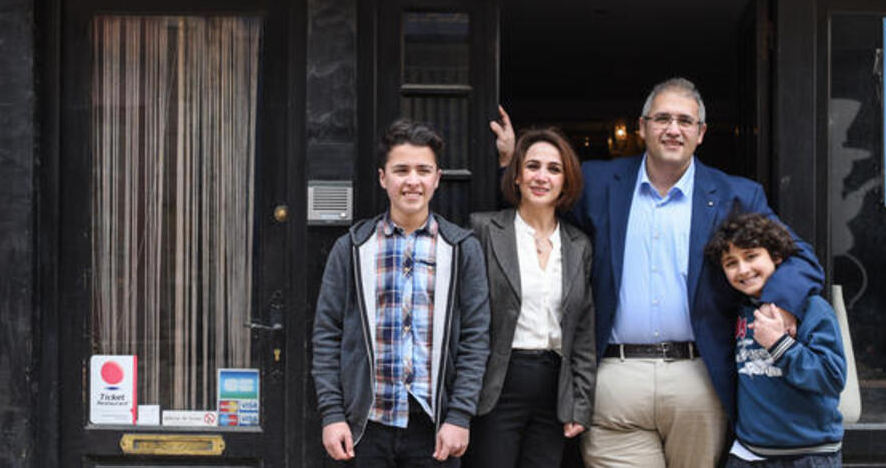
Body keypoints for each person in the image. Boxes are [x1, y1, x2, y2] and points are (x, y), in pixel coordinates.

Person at [492, 78, 823, 468]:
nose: (672, 129)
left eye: (685, 121)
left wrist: (780, 305)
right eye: (662, 118)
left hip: (698, 378)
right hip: (614, 376)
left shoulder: (736, 195)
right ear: (642, 127)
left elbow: (800, 257)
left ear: (700, 134)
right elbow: (538, 202)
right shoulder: (598, 183)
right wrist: (514, 159)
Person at [313, 118, 493, 468]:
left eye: (423, 170)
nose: (413, 181)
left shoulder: (460, 249)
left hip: (433, 425)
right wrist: (332, 414)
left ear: (437, 178)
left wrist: (459, 416)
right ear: (383, 178)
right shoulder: (352, 248)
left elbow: (475, 338)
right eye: (401, 170)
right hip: (366, 426)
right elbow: (326, 335)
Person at [465, 127, 598, 468]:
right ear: (517, 176)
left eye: (554, 169)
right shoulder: (483, 231)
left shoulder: (578, 245)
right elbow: (463, 317)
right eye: (533, 166)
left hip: (554, 390)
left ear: (566, 183)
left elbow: (582, 331)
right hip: (497, 384)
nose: (542, 176)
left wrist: (579, 404)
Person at [707, 211, 845, 467]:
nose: (743, 269)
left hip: (808, 454)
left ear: (777, 257)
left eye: (751, 257)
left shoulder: (812, 308)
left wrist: (780, 345)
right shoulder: (740, 310)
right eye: (731, 263)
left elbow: (832, 377)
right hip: (749, 453)